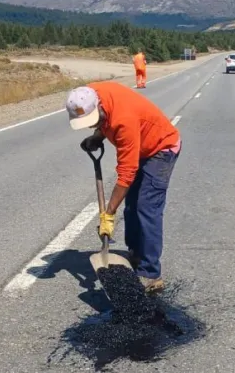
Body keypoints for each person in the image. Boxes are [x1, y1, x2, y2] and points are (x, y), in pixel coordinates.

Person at [65, 81, 181, 294]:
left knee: (146, 209)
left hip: (161, 149)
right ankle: (135, 255)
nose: (91, 125)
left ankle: (151, 273)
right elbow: (105, 118)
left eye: (94, 121)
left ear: (98, 105)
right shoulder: (87, 94)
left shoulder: (124, 120)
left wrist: (108, 214)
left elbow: (127, 173)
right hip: (140, 145)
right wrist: (98, 136)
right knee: (131, 207)